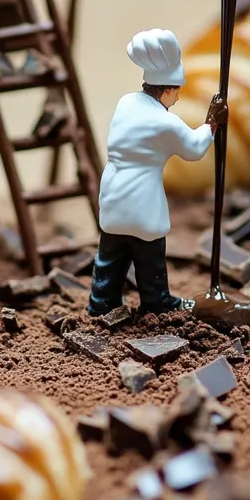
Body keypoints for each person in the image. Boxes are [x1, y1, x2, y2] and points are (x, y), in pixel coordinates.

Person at [88, 28, 228, 317]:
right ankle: (157, 302)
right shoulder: (166, 122)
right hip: (142, 201)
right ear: (166, 90)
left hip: (113, 193)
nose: (176, 99)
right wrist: (211, 123)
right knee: (149, 258)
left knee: (110, 256)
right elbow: (194, 149)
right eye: (176, 93)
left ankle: (101, 303)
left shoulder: (126, 103)